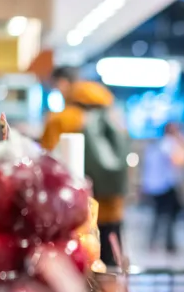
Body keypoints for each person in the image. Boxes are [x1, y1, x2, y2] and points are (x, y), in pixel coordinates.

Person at [41, 66, 129, 266]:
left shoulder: (60, 119)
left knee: (83, 271)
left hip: (80, 213)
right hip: (113, 205)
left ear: (63, 83)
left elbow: (48, 164)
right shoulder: (114, 116)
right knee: (111, 267)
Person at [142, 122, 184, 253]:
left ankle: (159, 243)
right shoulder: (168, 144)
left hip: (157, 186)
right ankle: (167, 245)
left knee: (161, 216)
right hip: (165, 186)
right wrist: (183, 144)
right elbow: (179, 161)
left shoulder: (157, 145)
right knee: (166, 217)